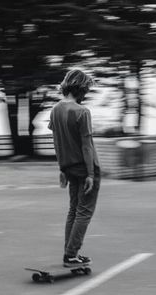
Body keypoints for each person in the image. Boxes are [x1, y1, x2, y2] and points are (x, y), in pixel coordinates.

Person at [48, 69, 101, 267]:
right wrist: (90, 173)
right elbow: (86, 145)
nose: (86, 93)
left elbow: (56, 142)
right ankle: (71, 255)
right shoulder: (82, 111)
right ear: (80, 88)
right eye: (86, 89)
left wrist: (62, 168)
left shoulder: (55, 110)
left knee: (73, 210)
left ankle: (69, 253)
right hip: (86, 167)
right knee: (84, 212)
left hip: (69, 167)